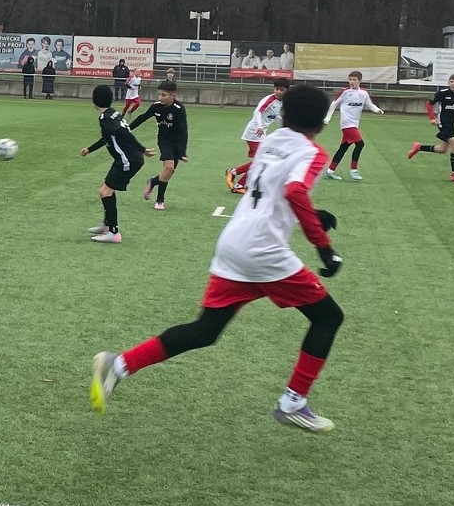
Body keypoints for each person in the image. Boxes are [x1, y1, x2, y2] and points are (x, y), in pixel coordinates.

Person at [90, 85, 345, 433]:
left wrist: (313, 215)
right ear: (321, 123)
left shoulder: (271, 141)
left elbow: (272, 191)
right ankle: (293, 402)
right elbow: (294, 190)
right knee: (328, 317)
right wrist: (324, 247)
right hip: (264, 252)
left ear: (284, 115)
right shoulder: (312, 152)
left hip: (234, 243)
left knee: (206, 330)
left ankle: (119, 365)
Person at [78, 84, 155, 244]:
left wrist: (141, 149)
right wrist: (90, 149)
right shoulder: (112, 114)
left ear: (94, 101)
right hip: (126, 158)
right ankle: (107, 225)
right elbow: (109, 136)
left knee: (105, 191)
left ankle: (114, 232)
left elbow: (123, 132)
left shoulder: (107, 119)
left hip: (128, 160)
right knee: (105, 188)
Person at [130, 79, 188, 210]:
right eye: (159, 94)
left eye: (164, 95)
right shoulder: (156, 107)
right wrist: (127, 128)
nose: (160, 98)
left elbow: (183, 132)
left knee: (169, 172)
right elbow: (142, 118)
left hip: (176, 142)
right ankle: (160, 200)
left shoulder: (179, 109)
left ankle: (152, 181)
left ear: (173, 95)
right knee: (169, 167)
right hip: (164, 140)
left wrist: (182, 152)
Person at [226, 79, 291, 195]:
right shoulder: (270, 99)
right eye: (277, 89)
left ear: (286, 91)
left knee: (261, 160)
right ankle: (237, 180)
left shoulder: (280, 102)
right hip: (254, 132)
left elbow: (274, 115)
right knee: (260, 161)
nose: (278, 92)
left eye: (282, 90)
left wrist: (286, 126)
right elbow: (257, 112)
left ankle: (235, 174)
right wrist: (259, 126)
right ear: (273, 89)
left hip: (261, 134)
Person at [325, 71, 384, 181]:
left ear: (359, 81)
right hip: (346, 124)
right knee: (360, 144)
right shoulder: (345, 92)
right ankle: (354, 170)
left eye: (354, 80)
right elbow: (334, 104)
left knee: (343, 148)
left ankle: (330, 171)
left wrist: (377, 110)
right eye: (350, 79)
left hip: (355, 124)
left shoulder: (364, 93)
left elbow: (369, 104)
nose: (352, 82)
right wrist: (327, 118)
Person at [408, 74, 454, 182]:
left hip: (452, 124)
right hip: (442, 122)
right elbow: (429, 104)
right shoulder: (442, 93)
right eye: (451, 82)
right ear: (448, 83)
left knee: (442, 149)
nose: (453, 84)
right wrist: (432, 118)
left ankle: (419, 147)